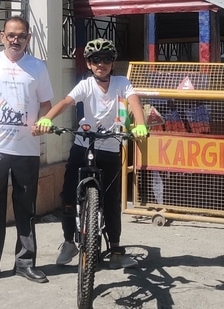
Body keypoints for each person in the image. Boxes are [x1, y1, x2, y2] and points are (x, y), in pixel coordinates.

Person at [34, 38, 148, 269]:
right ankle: (68, 242)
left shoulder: (122, 82)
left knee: (112, 201)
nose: (101, 64)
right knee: (68, 194)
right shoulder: (85, 85)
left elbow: (134, 101)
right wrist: (46, 118)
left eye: (106, 59)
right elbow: (66, 102)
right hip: (83, 145)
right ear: (88, 64)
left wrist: (140, 123)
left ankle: (115, 250)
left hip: (110, 146)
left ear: (112, 62)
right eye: (96, 60)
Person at [0, 15, 53, 285]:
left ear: (28, 38)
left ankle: (25, 263)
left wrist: (44, 122)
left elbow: (46, 104)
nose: (16, 40)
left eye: (22, 36)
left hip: (26, 149)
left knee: (26, 208)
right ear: (3, 36)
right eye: (11, 35)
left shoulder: (37, 67)